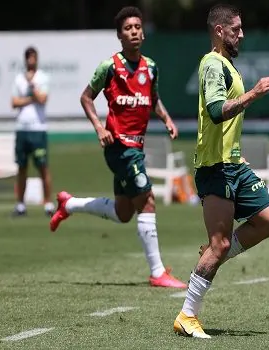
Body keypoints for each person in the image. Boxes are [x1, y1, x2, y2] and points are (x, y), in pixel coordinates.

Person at [49, 6, 186, 289]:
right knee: (147, 199)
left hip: (135, 147)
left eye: (137, 27)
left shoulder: (151, 67)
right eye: (128, 28)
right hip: (119, 147)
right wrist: (99, 128)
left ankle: (69, 204)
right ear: (119, 36)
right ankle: (158, 272)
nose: (134, 31)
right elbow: (86, 98)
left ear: (143, 33)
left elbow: (154, 98)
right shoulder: (110, 67)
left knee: (125, 213)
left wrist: (167, 119)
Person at [173, 3, 269, 339]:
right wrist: (254, 94)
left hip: (233, 163)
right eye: (235, 29)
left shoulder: (228, 66)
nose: (241, 34)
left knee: (268, 220)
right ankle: (187, 315)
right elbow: (217, 111)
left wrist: (239, 153)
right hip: (214, 168)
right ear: (219, 31)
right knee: (218, 245)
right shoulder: (212, 64)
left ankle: (213, 254)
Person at [11, 46, 55, 217]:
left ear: (37, 59)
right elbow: (14, 102)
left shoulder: (42, 78)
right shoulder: (18, 79)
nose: (31, 60)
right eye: (28, 57)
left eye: (33, 57)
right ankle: (20, 205)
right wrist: (31, 99)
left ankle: (48, 203)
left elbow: (43, 99)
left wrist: (31, 87)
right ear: (25, 59)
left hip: (38, 128)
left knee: (42, 166)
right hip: (22, 128)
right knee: (22, 167)